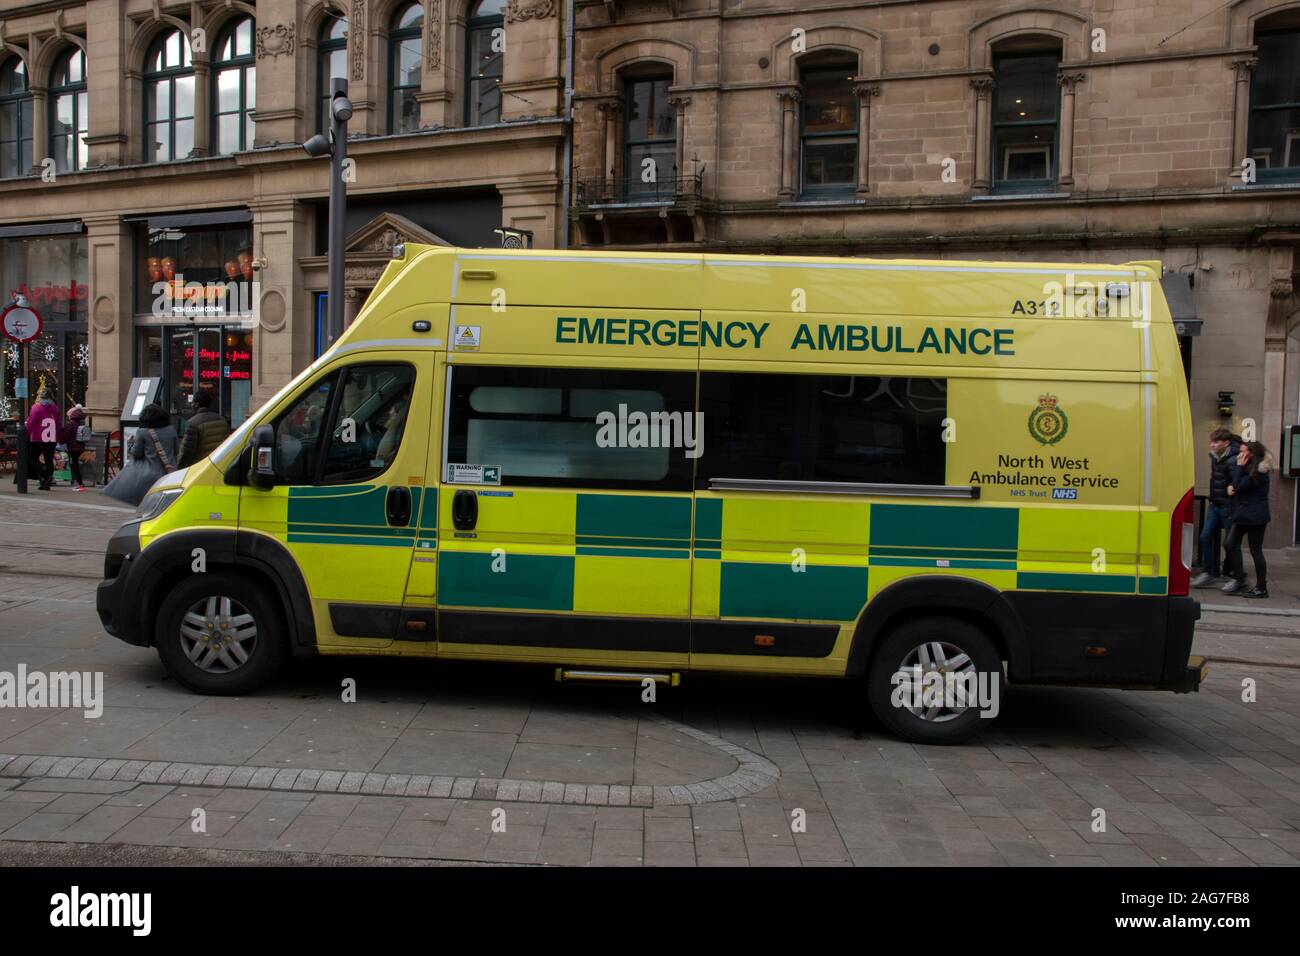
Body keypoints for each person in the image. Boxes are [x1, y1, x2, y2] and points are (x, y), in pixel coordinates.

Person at [101, 403, 178, 507]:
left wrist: (130, 445)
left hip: (149, 475)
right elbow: (176, 451)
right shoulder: (171, 430)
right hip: (169, 473)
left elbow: (137, 454)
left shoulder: (142, 432)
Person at [1191, 428, 1241, 588]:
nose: (1212, 445)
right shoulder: (1216, 457)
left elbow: (1237, 482)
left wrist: (1230, 495)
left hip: (1228, 507)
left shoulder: (1233, 460)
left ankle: (1237, 576)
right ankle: (1210, 573)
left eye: (1216, 442)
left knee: (1231, 542)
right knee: (1205, 537)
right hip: (1214, 505)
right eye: (1211, 442)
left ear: (1226, 443)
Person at [1221, 440, 1271, 598]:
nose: (1239, 454)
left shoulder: (1258, 470)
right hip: (1243, 514)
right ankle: (1240, 577)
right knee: (1229, 543)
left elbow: (1239, 485)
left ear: (1251, 453)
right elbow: (1235, 483)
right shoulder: (1250, 467)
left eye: (1243, 451)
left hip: (1255, 516)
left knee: (1256, 550)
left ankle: (1261, 587)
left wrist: (1239, 467)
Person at [176, 390, 231, 468]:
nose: (191, 405)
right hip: (219, 463)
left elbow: (187, 451)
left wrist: (180, 468)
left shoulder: (192, 423)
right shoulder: (222, 420)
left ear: (197, 404)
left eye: (192, 402)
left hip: (200, 466)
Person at [24, 388, 60, 491]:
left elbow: (31, 423)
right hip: (51, 438)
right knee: (49, 459)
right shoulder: (55, 408)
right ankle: (46, 483)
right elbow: (57, 424)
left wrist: (26, 434)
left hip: (38, 438)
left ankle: (43, 471)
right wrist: (56, 437)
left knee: (33, 459)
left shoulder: (36, 408)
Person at [60, 403, 88, 491]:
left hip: (72, 448)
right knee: (78, 465)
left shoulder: (71, 424)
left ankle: (78, 483)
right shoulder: (81, 422)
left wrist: (60, 440)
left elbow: (66, 435)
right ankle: (80, 482)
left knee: (74, 465)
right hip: (81, 446)